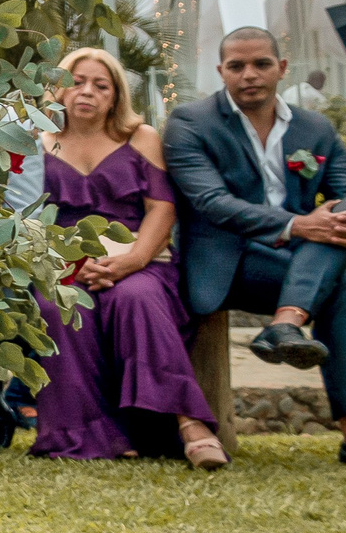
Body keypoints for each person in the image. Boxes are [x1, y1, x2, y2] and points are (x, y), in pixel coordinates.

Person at [163, 26, 346, 469]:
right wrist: (300, 225)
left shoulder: (314, 127)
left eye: (261, 64)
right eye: (237, 66)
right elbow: (212, 203)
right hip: (224, 262)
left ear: (281, 68)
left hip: (292, 261)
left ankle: (285, 324)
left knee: (342, 228)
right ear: (221, 71)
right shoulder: (190, 122)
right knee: (341, 281)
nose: (249, 74)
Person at [28, 47, 226, 467]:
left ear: (116, 97)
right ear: (59, 89)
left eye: (101, 86)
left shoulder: (141, 137)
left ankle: (188, 422)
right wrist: (67, 264)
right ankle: (89, 435)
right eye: (77, 82)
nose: (87, 92)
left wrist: (133, 261)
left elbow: (162, 209)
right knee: (56, 307)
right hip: (64, 266)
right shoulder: (37, 142)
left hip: (142, 261)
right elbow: (24, 215)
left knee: (136, 298)